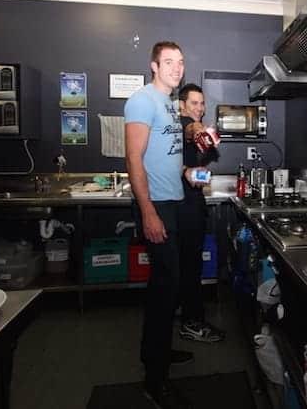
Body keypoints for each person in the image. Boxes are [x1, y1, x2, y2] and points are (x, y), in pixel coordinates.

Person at [124, 41, 204, 408]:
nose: (176, 67)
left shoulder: (170, 106)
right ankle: (153, 380)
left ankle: (156, 354)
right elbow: (134, 159)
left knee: (166, 287)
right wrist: (148, 212)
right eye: (168, 62)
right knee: (165, 288)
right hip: (157, 205)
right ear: (154, 66)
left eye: (180, 62)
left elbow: (167, 157)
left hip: (173, 199)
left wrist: (188, 172)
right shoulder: (143, 100)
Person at [176, 84, 225, 343]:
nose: (199, 108)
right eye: (194, 103)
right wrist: (200, 131)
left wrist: (200, 174)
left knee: (186, 266)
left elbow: (190, 170)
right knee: (190, 267)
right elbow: (191, 129)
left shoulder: (191, 128)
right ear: (183, 105)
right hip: (185, 209)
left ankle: (186, 314)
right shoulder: (185, 124)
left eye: (202, 103)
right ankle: (192, 322)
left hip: (189, 203)